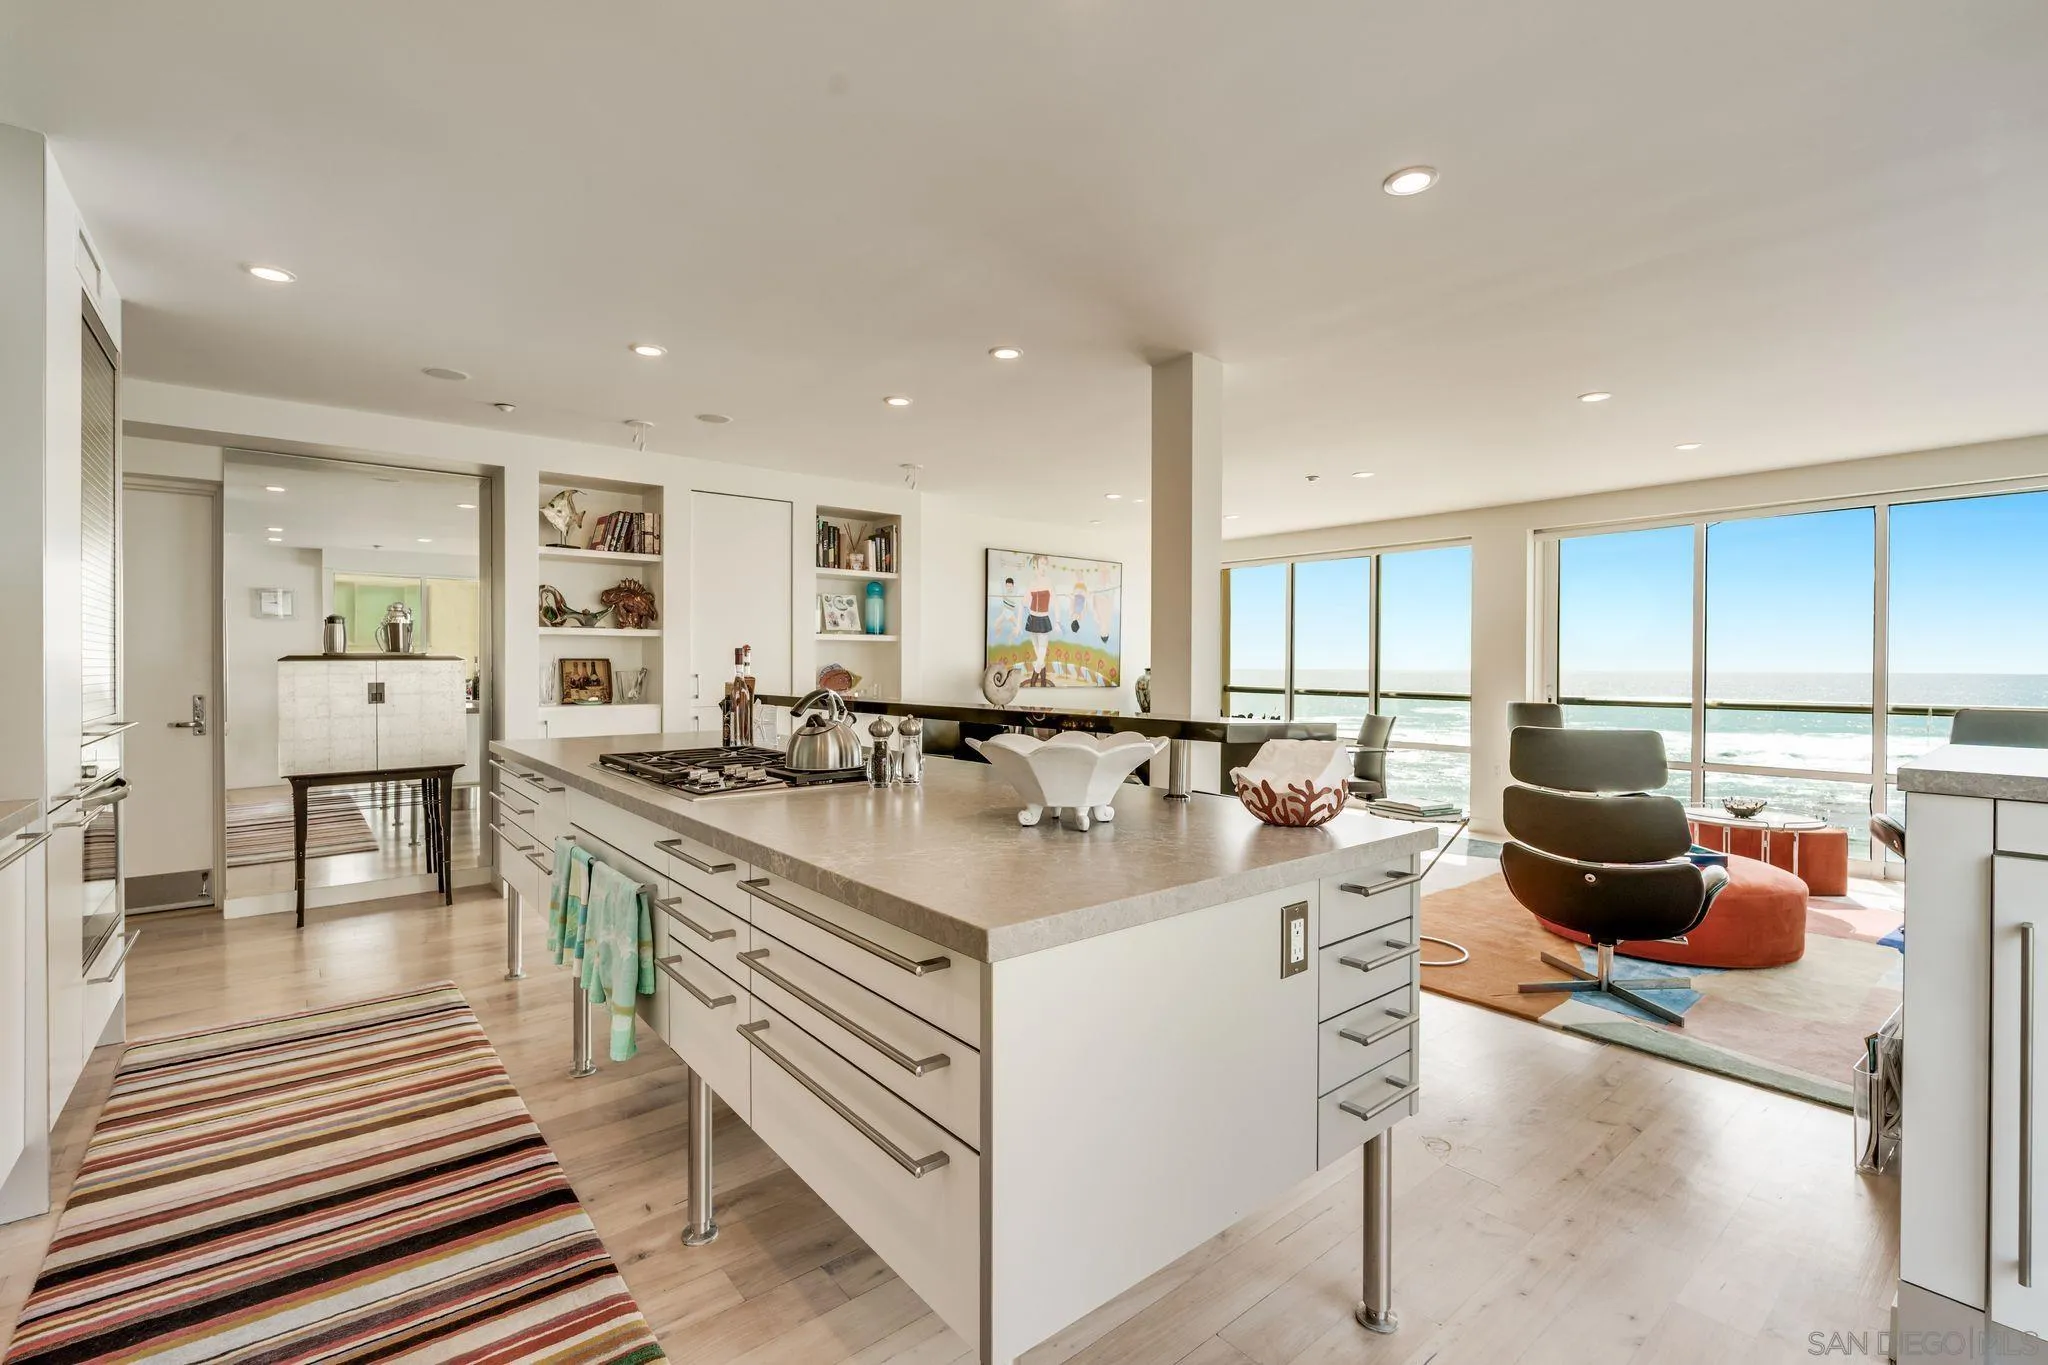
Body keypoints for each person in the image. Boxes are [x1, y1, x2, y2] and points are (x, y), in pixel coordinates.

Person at [1024, 555, 1056, 685]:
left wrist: (1058, 621)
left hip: (1043, 619)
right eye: (1042, 564)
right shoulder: (1031, 583)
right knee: (1039, 655)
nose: (1044, 567)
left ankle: (1033, 681)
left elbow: (1055, 601)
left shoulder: (1048, 581)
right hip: (1032, 619)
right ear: (1035, 566)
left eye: (1045, 564)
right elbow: (1025, 602)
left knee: (1040, 656)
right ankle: (1041, 682)